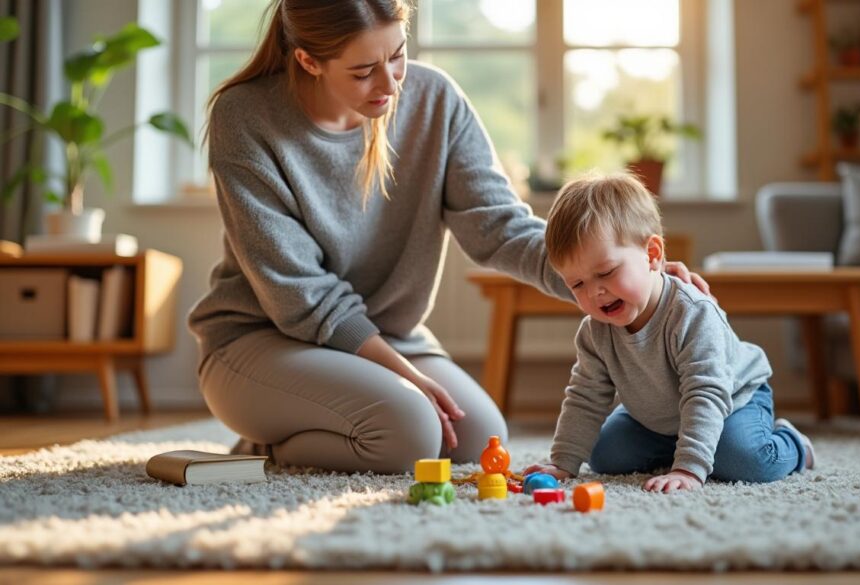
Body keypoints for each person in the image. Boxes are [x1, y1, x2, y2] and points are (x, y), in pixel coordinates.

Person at [186, 0, 710, 474]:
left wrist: (626, 280)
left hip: (390, 337)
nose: (390, 84)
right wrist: (406, 378)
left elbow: (500, 227)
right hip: (259, 341)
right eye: (364, 70)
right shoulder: (245, 116)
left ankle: (330, 423)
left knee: (482, 438)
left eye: (398, 55)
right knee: (409, 430)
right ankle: (267, 446)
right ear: (308, 61)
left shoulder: (435, 100)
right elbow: (298, 293)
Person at [523, 173, 815, 493]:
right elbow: (585, 396)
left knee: (745, 460)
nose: (595, 293)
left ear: (652, 254)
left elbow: (707, 392)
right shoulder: (595, 332)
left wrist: (688, 468)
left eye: (606, 273)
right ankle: (680, 444)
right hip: (657, 417)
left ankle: (793, 443)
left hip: (731, 400)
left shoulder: (692, 314)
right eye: (577, 284)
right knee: (602, 454)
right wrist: (562, 461)